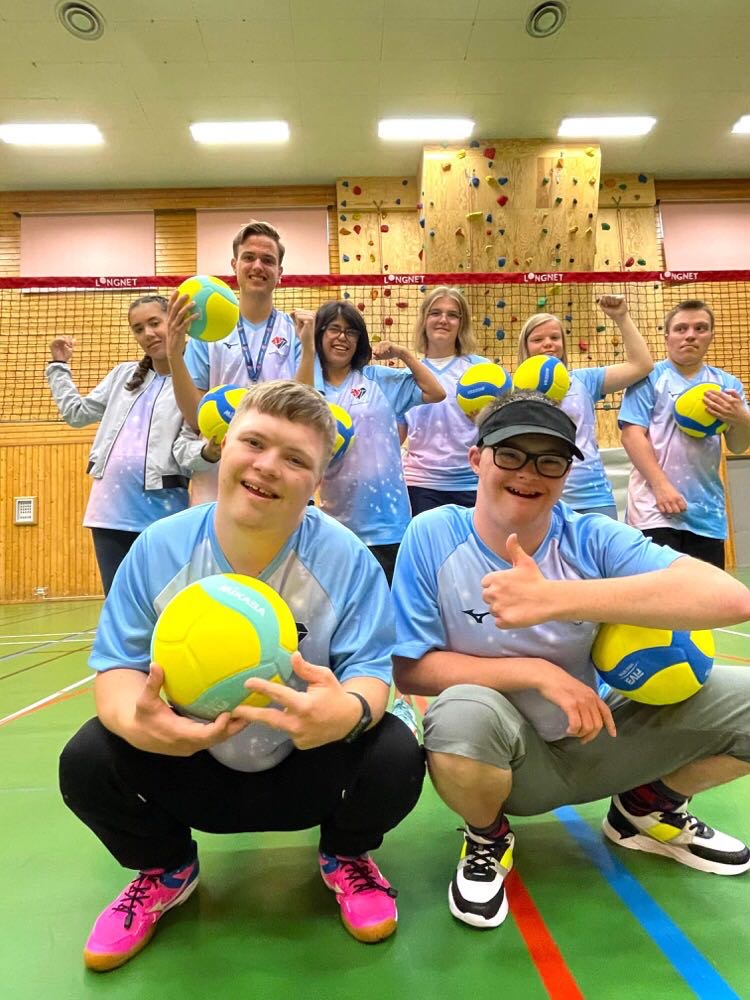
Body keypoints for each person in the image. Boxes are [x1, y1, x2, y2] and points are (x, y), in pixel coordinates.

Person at [59, 380, 424, 972]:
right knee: (88, 760)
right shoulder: (158, 549)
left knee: (397, 754)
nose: (268, 466)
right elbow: (116, 671)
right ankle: (167, 868)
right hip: (192, 760)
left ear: (317, 481)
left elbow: (370, 674)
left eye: (296, 458)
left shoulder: (347, 558)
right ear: (223, 445)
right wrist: (139, 720)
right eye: (253, 442)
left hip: (308, 761)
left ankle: (346, 856)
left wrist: (347, 711)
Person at [391, 390, 750, 931]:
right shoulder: (433, 534)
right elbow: (411, 668)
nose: (529, 473)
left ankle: (645, 808)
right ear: (476, 459)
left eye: (550, 460)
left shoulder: (589, 537)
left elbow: (728, 598)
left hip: (597, 736)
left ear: (564, 476)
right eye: (510, 453)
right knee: (461, 713)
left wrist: (555, 598)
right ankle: (487, 836)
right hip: (509, 762)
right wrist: (537, 672)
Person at [45, 294, 209, 594]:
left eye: (155, 323)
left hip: (163, 513)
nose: (148, 334)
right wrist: (58, 367)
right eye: (138, 328)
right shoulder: (123, 375)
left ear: (172, 323)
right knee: (118, 601)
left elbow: (186, 451)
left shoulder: (195, 385)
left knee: (164, 601)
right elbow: (77, 414)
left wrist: (208, 452)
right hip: (108, 513)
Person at [166, 220, 315, 503]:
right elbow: (194, 415)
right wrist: (174, 354)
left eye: (268, 260)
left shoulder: (296, 331)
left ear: (279, 273)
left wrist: (308, 349)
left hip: (277, 467)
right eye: (249, 257)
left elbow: (304, 405)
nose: (258, 266)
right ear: (235, 265)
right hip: (220, 473)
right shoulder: (207, 330)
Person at [304, 299, 445, 584]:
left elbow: (435, 392)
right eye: (333, 329)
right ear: (320, 335)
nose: (342, 337)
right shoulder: (310, 383)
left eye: (351, 331)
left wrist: (404, 353)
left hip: (387, 522)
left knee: (390, 606)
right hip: (336, 520)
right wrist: (305, 347)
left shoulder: (376, 378)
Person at [619, 299, 750, 567]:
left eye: (700, 328)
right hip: (653, 509)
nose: (690, 335)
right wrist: (661, 486)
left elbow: (737, 447)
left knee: (702, 601)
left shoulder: (727, 385)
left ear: (711, 336)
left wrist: (742, 419)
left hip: (706, 513)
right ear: (667, 336)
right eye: (681, 329)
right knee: (657, 598)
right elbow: (632, 435)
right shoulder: (649, 377)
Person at [517, 294, 653, 518]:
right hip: (540, 496)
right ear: (526, 346)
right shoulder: (515, 391)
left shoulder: (583, 380)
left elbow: (642, 365)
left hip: (593, 496)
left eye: (554, 337)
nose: (548, 343)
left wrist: (621, 317)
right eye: (538, 339)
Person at [400, 286, 493, 515]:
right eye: (435, 313)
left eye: (452, 315)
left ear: (462, 323)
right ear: (424, 320)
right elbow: (396, 436)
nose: (443, 320)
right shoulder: (408, 375)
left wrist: (485, 419)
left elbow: (502, 425)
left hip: (471, 481)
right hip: (421, 484)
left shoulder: (482, 370)